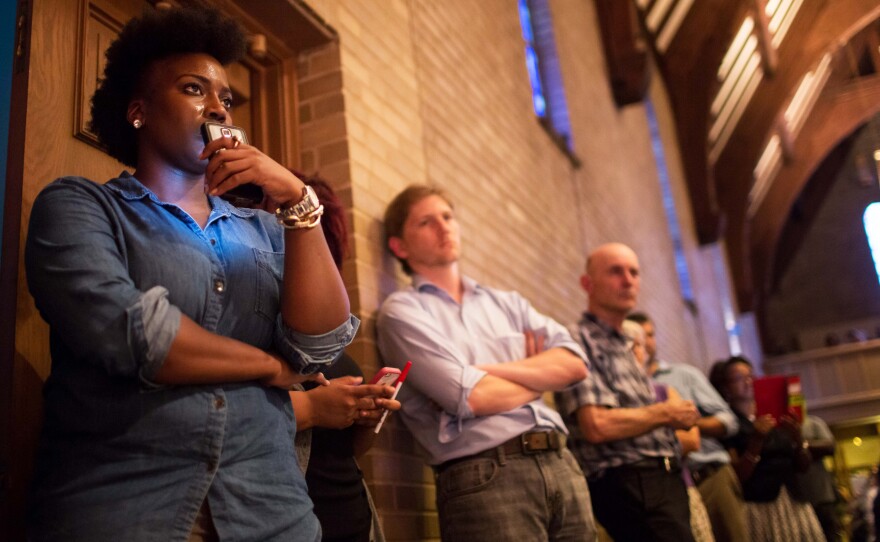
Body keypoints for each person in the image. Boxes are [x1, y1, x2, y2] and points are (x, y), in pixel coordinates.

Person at [24, 6, 358, 541]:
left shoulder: (269, 232)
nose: (217, 108)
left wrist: (299, 201)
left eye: (225, 98)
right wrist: (268, 368)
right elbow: (134, 332)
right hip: (126, 505)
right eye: (193, 89)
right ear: (139, 111)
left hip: (272, 513)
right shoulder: (81, 206)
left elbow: (318, 348)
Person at [376, 184, 597, 541]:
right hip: (485, 475)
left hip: (562, 463)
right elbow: (470, 398)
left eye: (448, 217)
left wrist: (484, 372)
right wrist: (538, 372)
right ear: (399, 246)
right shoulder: (402, 312)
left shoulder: (506, 302)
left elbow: (575, 365)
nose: (444, 227)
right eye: (426, 222)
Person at [554, 242, 698, 542]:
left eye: (634, 272)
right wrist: (666, 412)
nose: (628, 280)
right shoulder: (576, 338)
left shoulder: (626, 342)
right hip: (630, 480)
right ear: (587, 284)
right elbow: (597, 425)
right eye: (616, 271)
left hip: (664, 478)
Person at [290, 176, 400, 542]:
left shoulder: (325, 319)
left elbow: (345, 451)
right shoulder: (256, 315)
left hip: (357, 520)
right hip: (294, 520)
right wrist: (310, 407)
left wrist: (364, 418)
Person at [626, 312, 747, 542]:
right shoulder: (626, 389)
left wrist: (684, 421)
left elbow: (728, 421)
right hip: (670, 484)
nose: (645, 343)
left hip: (711, 474)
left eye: (649, 335)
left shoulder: (683, 375)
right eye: (636, 340)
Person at [620, 320, 715, 542]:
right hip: (632, 496)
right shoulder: (613, 397)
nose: (633, 351)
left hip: (677, 485)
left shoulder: (663, 391)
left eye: (638, 345)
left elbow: (691, 440)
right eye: (625, 345)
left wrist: (634, 431)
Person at [710, 357, 824, 541]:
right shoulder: (730, 425)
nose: (748, 382)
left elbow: (803, 466)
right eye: (739, 378)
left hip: (793, 501)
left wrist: (798, 439)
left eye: (751, 375)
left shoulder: (774, 414)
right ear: (726, 388)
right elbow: (737, 477)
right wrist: (756, 441)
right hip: (759, 506)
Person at [787, 414, 841, 541]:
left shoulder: (812, 422)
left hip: (821, 496)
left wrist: (801, 444)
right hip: (795, 501)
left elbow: (830, 447)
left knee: (830, 535)